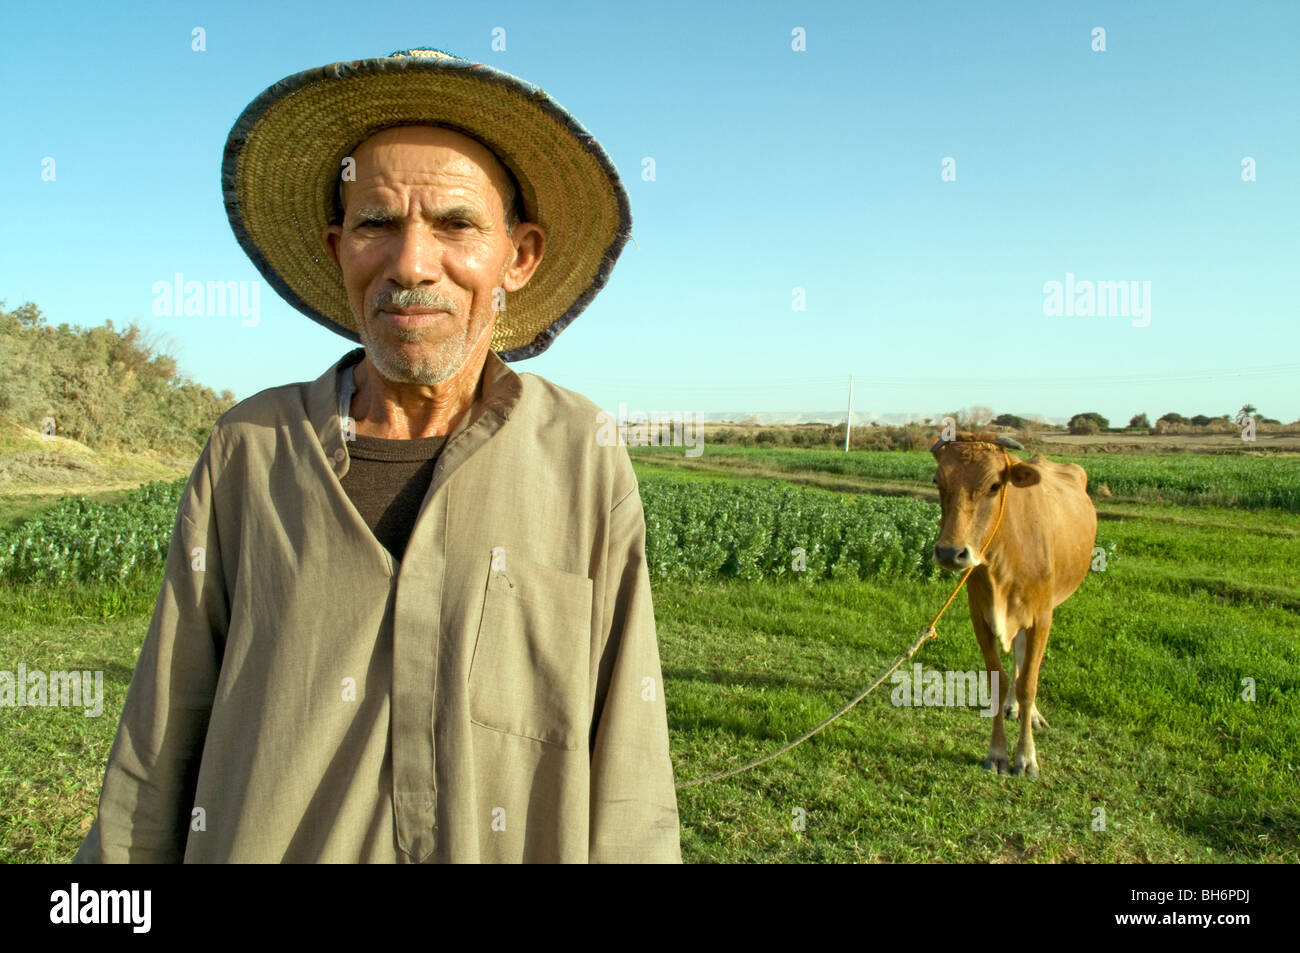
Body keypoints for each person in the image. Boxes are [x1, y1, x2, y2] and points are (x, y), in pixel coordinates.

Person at [74, 47, 681, 863]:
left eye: (457, 224)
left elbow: (630, 763)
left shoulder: (581, 455)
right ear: (338, 249)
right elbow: (159, 740)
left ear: (519, 255)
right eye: (377, 224)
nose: (411, 263)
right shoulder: (249, 451)